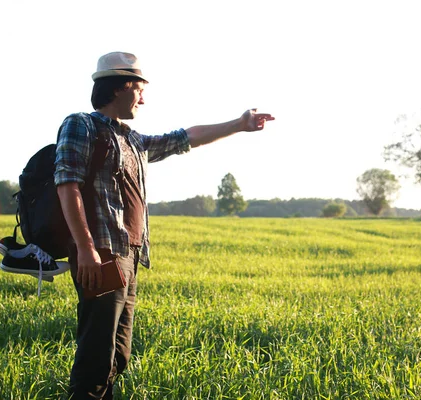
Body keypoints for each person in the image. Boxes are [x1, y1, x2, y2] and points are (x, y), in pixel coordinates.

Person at [54, 51, 274, 399]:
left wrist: (238, 124)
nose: (144, 97)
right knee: (96, 355)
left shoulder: (133, 139)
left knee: (117, 355)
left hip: (129, 256)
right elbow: (67, 185)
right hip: (102, 253)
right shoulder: (81, 124)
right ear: (120, 87)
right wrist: (86, 249)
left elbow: (184, 137)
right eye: (139, 88)